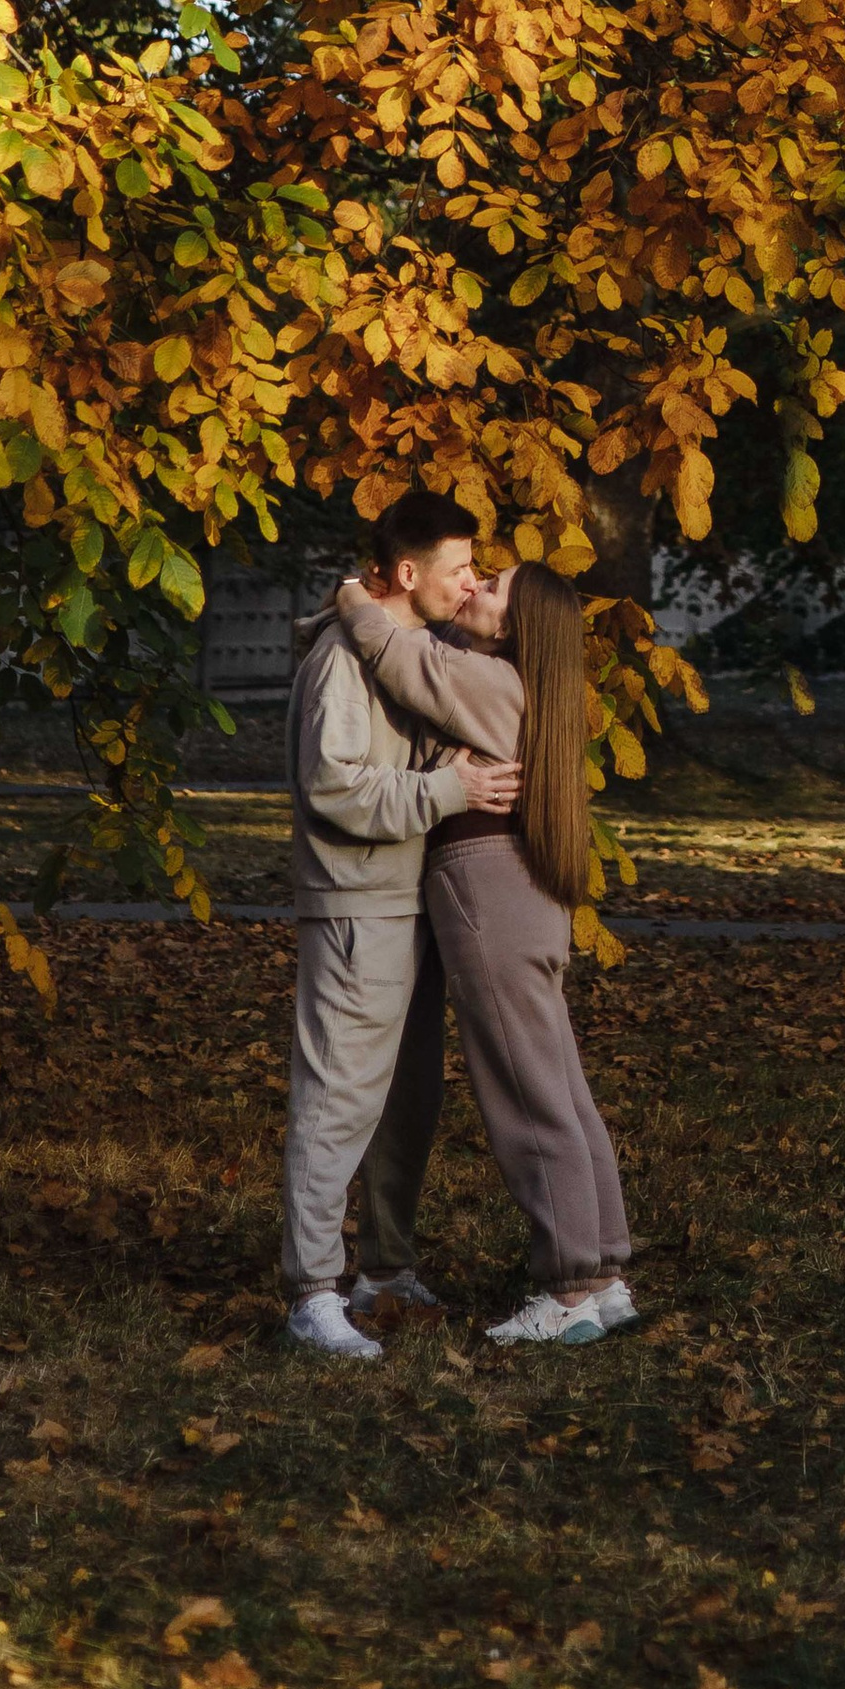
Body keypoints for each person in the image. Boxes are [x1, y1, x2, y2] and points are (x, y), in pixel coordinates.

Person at [336, 553, 635, 1347]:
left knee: (524, 1095)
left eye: (492, 586)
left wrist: (351, 592)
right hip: (523, 890)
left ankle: (569, 1288)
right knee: (560, 1086)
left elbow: (395, 655)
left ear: (515, 625)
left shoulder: (491, 680)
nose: (475, 586)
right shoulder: (528, 689)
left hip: (486, 888)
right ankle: (602, 1271)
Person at [280, 497, 521, 1358]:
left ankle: (386, 1269)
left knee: (405, 1102)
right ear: (409, 573)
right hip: (356, 903)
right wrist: (445, 791)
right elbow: (334, 789)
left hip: (409, 900)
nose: (470, 582)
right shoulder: (343, 656)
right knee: (339, 1095)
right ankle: (312, 1293)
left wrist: (432, 770)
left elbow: (390, 766)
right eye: (461, 567)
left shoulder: (412, 654)